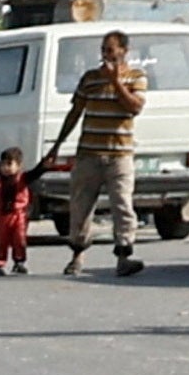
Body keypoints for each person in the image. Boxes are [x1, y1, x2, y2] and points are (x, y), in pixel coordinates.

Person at [40, 29, 148, 279]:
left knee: (122, 205)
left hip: (119, 156)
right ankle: (77, 255)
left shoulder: (136, 77)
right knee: (80, 206)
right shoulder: (90, 79)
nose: (106, 55)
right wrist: (57, 146)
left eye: (111, 50)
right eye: (103, 50)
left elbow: (135, 107)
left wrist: (116, 82)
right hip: (89, 154)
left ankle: (124, 256)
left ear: (124, 51)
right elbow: (75, 112)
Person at [0, 145, 35, 275]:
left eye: (9, 164)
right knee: (1, 240)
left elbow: (35, 174)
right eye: (2, 165)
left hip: (19, 215)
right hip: (2, 217)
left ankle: (19, 262)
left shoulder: (23, 179)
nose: (5, 168)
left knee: (19, 239)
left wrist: (44, 166)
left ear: (18, 166)